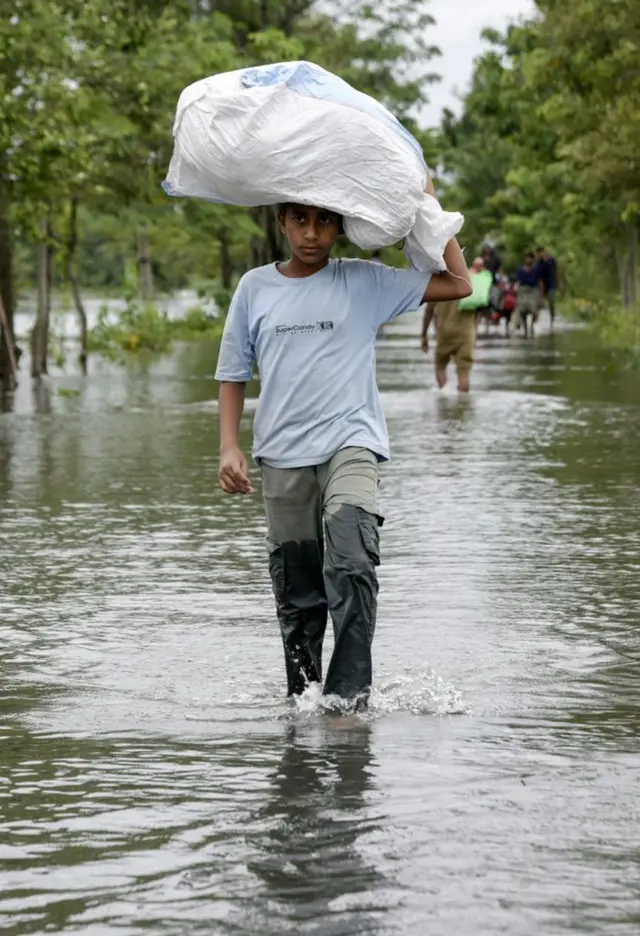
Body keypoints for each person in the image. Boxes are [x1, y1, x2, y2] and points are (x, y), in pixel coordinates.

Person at [215, 176, 471, 710]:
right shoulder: (254, 289)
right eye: (301, 220)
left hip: (350, 445)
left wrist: (429, 206)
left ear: (341, 226)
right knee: (298, 595)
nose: (312, 233)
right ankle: (303, 702)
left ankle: (348, 702)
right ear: (282, 220)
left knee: (352, 561)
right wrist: (228, 447)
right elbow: (234, 371)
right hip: (282, 455)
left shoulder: (363, 281)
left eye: (325, 221)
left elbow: (458, 283)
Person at [421, 260, 480, 393]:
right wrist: (475, 332)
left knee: (440, 366)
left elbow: (429, 311)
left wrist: (424, 334)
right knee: (464, 372)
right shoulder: (471, 280)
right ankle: (463, 403)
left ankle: (445, 395)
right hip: (466, 333)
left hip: (444, 332)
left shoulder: (440, 281)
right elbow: (478, 308)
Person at [514, 251, 544, 338]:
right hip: (523, 290)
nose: (529, 259)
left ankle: (531, 324)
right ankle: (525, 327)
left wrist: (541, 294)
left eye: (530, 257)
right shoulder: (520, 270)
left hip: (533, 290)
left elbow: (540, 282)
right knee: (522, 310)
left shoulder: (536, 270)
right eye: (527, 257)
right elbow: (518, 282)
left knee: (534, 309)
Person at [535, 246, 562, 328]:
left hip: (551, 283)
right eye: (538, 254)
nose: (540, 255)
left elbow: (556, 271)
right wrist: (541, 290)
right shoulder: (538, 264)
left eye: (541, 253)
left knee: (551, 301)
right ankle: (536, 320)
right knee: (538, 303)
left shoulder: (551, 260)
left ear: (544, 252)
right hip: (543, 284)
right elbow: (539, 278)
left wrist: (560, 282)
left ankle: (552, 318)